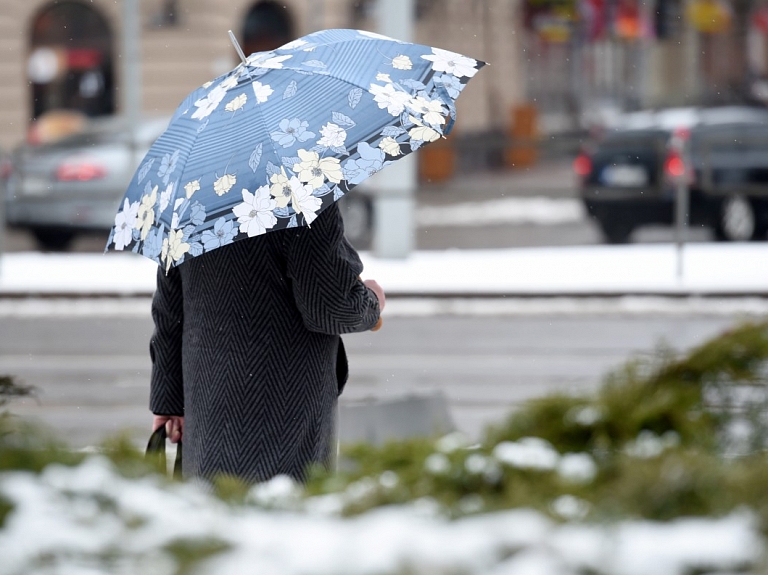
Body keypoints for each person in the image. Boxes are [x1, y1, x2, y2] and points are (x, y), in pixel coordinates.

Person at [149, 203, 384, 484]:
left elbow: (170, 310)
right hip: (284, 408)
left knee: (217, 508)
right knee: (281, 514)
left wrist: (170, 401)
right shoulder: (299, 192)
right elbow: (329, 307)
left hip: (205, 404)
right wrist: (371, 301)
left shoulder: (191, 199)